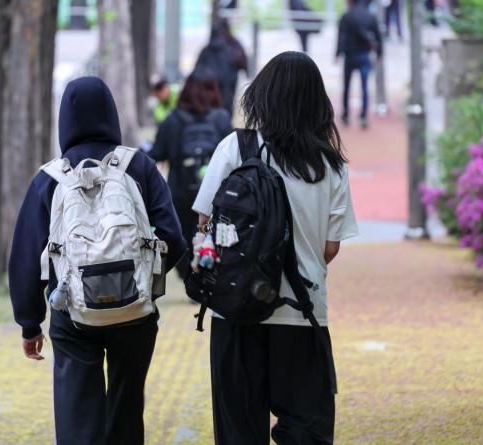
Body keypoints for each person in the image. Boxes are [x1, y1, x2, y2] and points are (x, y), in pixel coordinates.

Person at [8, 77, 186, 445]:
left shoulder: (49, 179)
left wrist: (30, 325)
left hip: (72, 316)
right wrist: (140, 276)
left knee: (77, 416)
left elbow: (26, 258)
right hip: (135, 313)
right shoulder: (140, 167)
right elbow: (174, 239)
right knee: (125, 409)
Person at [192, 52, 358, 445]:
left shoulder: (237, 148)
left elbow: (204, 221)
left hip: (236, 311)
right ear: (317, 103)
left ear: (262, 95)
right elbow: (329, 248)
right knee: (306, 429)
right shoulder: (331, 164)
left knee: (238, 432)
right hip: (302, 314)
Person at [148, 68, 231, 279]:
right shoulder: (221, 119)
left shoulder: (172, 120)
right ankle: (210, 277)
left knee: (183, 238)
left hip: (181, 192)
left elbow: (157, 153)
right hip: (215, 195)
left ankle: (190, 279)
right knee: (214, 236)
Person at [336, 0, 383, 129]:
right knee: (364, 87)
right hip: (364, 55)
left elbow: (341, 37)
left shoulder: (346, 16)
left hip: (349, 56)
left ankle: (346, 113)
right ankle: (363, 116)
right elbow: (378, 36)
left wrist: (337, 53)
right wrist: (379, 53)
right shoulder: (370, 15)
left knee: (346, 86)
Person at [196, 18, 247, 116]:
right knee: (226, 111)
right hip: (227, 89)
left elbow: (197, 70)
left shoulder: (205, 51)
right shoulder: (231, 48)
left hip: (209, 92)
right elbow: (242, 61)